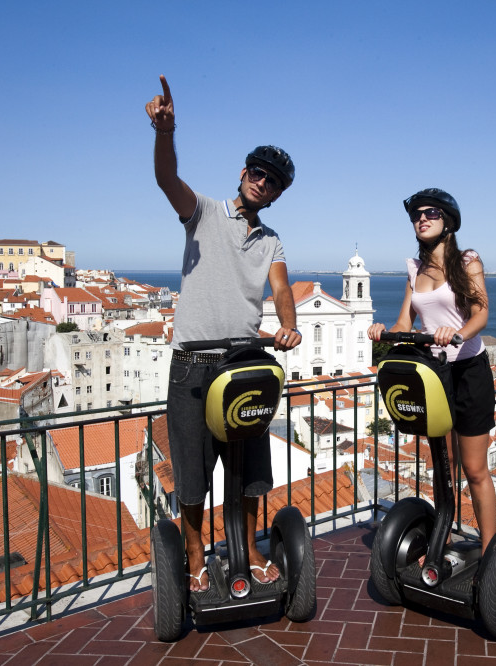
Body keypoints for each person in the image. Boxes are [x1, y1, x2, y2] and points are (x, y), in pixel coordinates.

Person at [146, 75, 302, 591]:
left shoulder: (272, 239)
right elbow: (169, 181)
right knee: (193, 476)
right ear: (243, 174)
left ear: (277, 195)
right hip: (193, 364)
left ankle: (252, 549)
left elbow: (280, 290)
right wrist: (165, 132)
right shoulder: (205, 213)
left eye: (273, 181)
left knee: (252, 472)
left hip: (243, 364)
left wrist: (289, 326)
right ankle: (194, 557)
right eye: (258, 172)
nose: (263, 182)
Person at [367, 188, 496, 551]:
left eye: (431, 213)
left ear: (448, 221)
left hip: (468, 369)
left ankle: (490, 552)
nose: (421, 218)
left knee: (474, 469)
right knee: (443, 464)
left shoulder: (468, 260)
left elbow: (481, 313)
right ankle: (444, 538)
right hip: (434, 373)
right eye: (416, 215)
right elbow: (403, 323)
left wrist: (456, 335)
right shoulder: (414, 269)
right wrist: (383, 332)